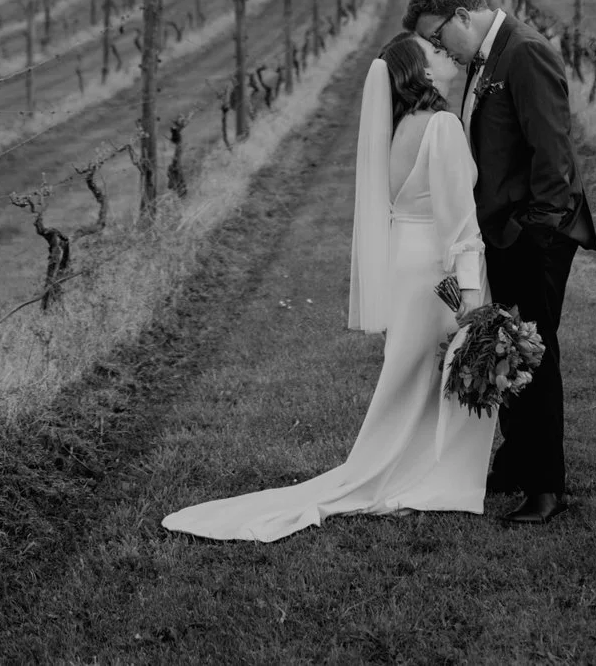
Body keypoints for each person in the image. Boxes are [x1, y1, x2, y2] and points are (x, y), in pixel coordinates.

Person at [161, 33, 497, 541]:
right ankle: (423, 475)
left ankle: (409, 467)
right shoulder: (443, 126)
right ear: (422, 74)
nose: (444, 55)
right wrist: (472, 298)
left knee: (411, 373)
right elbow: (459, 222)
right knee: (440, 368)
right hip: (436, 266)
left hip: (405, 263)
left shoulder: (398, 127)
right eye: (433, 53)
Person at [404, 0, 596, 526]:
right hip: (502, 234)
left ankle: (547, 487)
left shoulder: (526, 53)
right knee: (506, 347)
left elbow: (553, 160)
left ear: (462, 15)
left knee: (535, 355)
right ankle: (516, 462)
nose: (439, 48)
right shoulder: (486, 59)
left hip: (533, 237)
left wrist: (528, 236)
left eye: (439, 35)